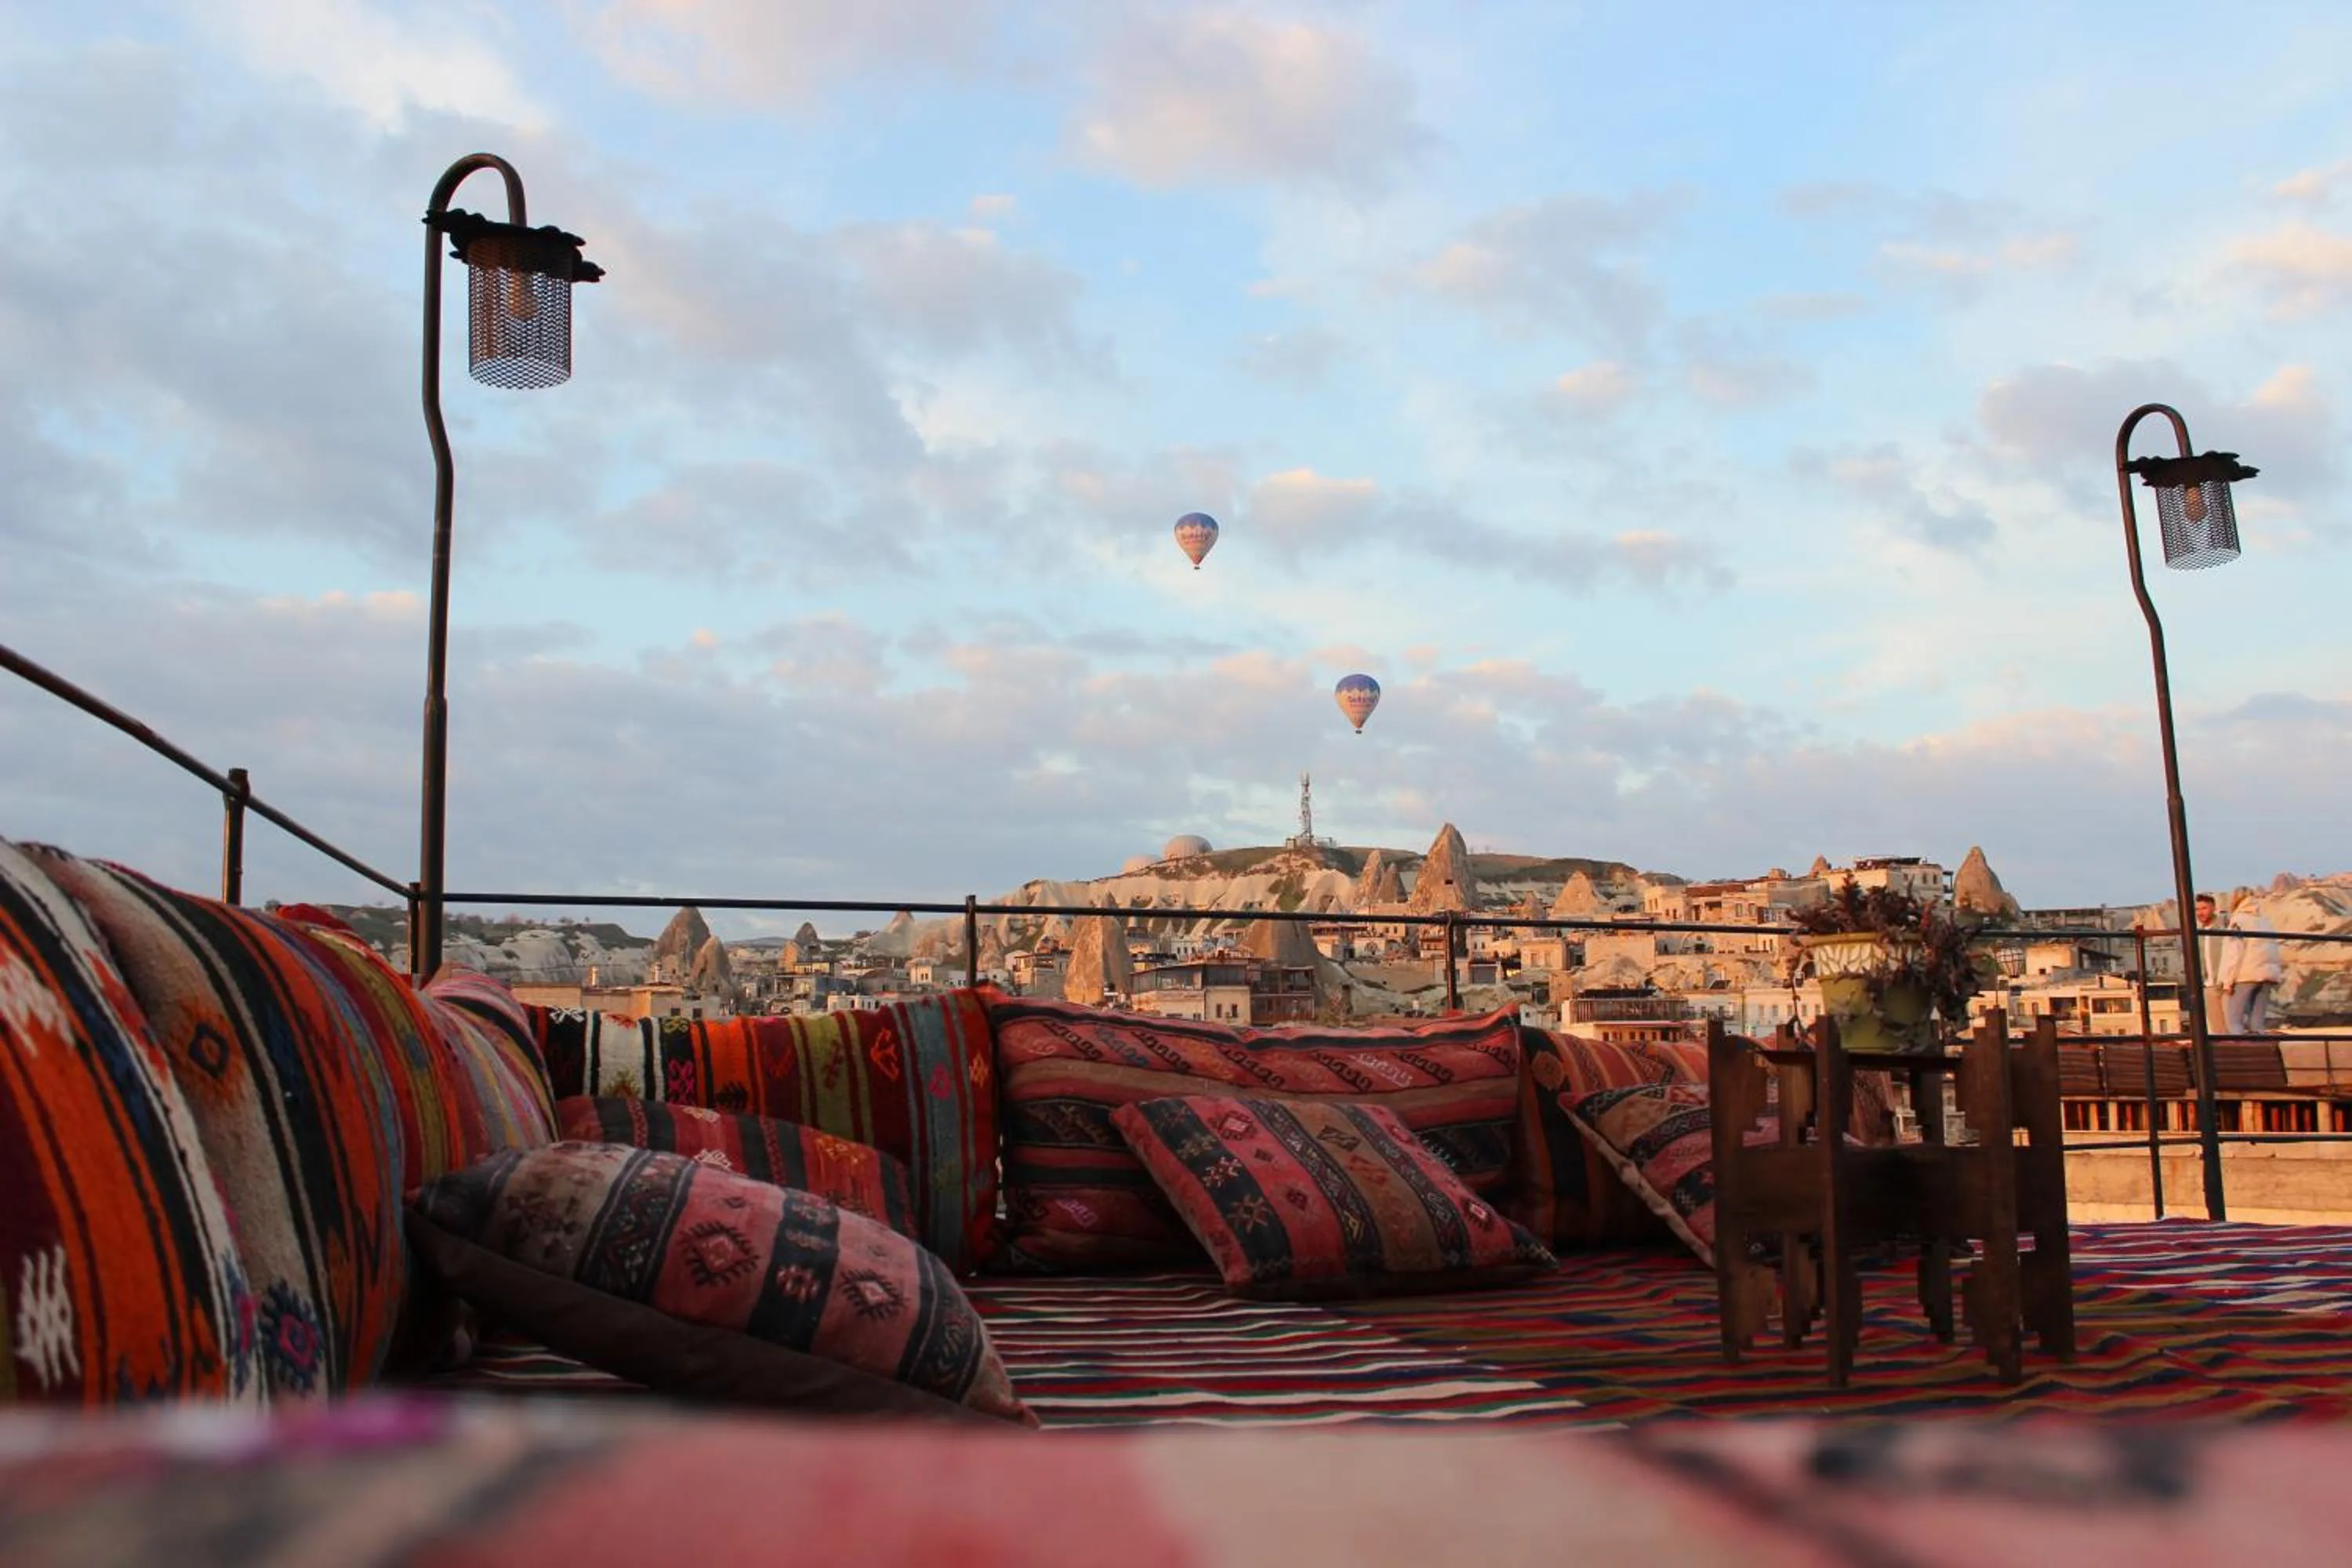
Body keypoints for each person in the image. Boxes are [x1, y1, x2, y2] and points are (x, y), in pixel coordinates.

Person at [2216, 887, 2285, 1036]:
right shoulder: (2265, 921)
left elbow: (2234, 954)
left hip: (2246, 975)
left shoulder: (2238, 921)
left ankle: (2240, 1054)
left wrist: (2227, 982)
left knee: (2234, 1020)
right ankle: (2259, 1054)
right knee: (2257, 1024)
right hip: (2268, 975)